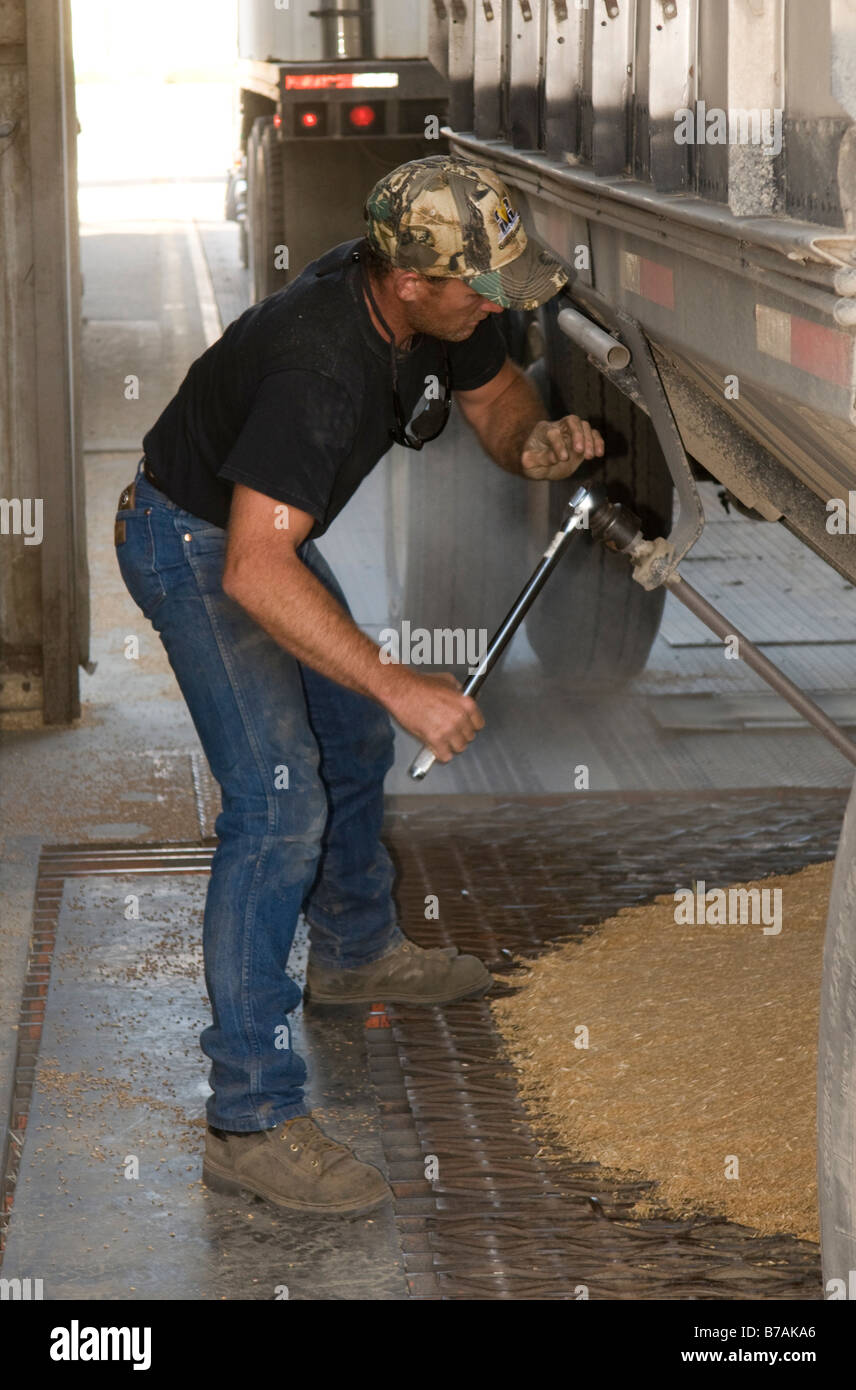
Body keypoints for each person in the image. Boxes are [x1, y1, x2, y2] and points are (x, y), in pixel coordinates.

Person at [115, 154, 604, 1217]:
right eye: (476, 287)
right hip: (193, 542)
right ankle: (248, 1117)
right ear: (408, 281)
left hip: (259, 538)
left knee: (349, 737)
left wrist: (538, 446)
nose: (490, 304)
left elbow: (494, 405)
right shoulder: (319, 359)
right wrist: (397, 682)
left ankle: (351, 953)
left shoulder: (449, 300)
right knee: (278, 801)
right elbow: (252, 565)